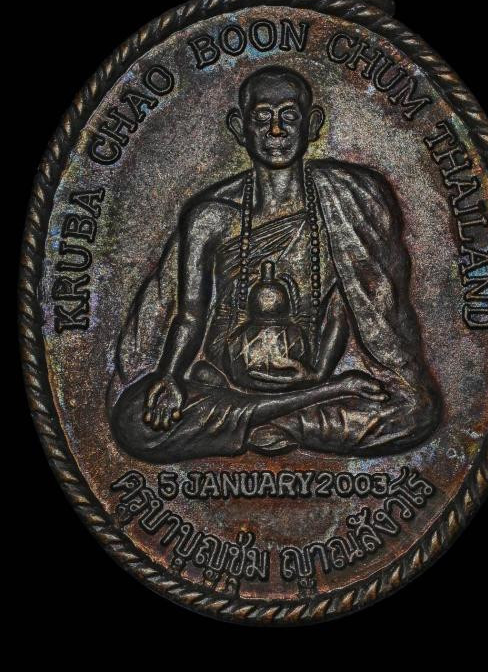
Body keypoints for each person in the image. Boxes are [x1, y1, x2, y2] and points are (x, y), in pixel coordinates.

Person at [110, 66, 440, 461]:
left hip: (306, 377)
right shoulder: (211, 216)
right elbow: (190, 315)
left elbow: (351, 308)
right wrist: (168, 375)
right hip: (225, 382)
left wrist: (320, 375)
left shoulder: (347, 202)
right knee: (132, 420)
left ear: (312, 125)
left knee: (417, 412)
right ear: (239, 129)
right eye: (262, 117)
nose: (277, 131)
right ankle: (277, 418)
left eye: (289, 116)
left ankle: (264, 422)